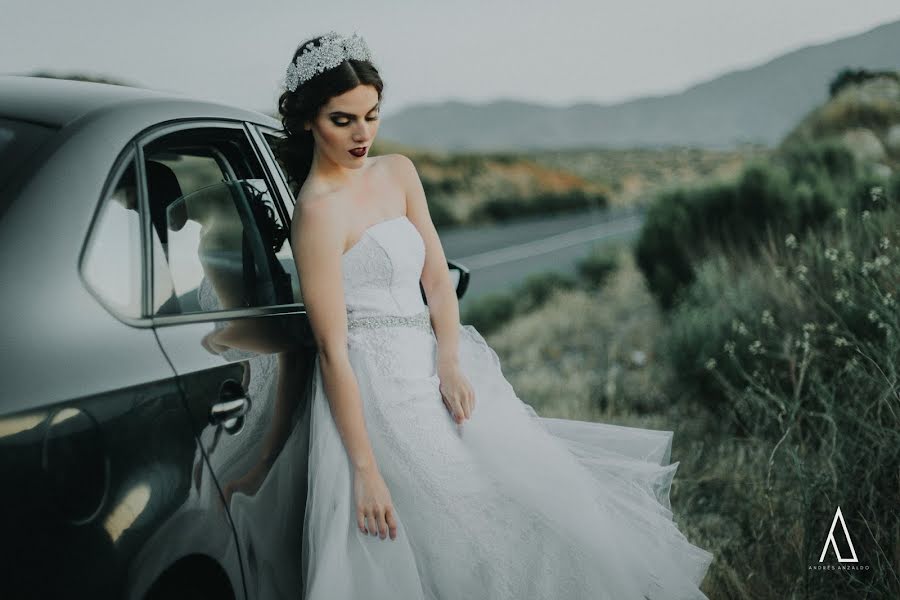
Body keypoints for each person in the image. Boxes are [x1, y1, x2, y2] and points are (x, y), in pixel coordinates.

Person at [279, 31, 714, 600]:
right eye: (343, 120)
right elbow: (333, 350)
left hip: (440, 368)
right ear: (309, 120)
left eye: (372, 115)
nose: (363, 134)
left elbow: (436, 275)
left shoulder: (399, 173)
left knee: (526, 496)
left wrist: (452, 360)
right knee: (461, 523)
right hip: (381, 396)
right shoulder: (315, 214)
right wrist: (364, 470)